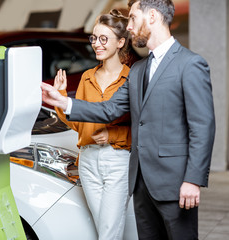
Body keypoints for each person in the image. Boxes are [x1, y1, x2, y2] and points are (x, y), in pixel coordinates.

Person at [41, 0, 216, 239]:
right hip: (141, 184)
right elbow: (109, 110)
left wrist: (193, 180)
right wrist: (62, 102)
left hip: (174, 183)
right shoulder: (139, 70)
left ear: (152, 16)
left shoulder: (190, 64)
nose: (130, 26)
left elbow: (202, 127)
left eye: (133, 18)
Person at [53, 9, 133, 240]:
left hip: (117, 160)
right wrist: (60, 97)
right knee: (107, 230)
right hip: (88, 161)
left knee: (108, 232)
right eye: (94, 38)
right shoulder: (87, 77)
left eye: (103, 39)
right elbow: (79, 124)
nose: (96, 44)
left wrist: (113, 135)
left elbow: (143, 127)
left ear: (120, 42)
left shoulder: (131, 79)